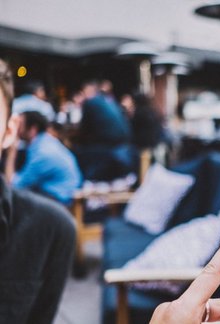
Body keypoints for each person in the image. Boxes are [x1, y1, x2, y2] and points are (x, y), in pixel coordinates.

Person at [0, 58, 76, 324]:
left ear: (13, 131)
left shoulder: (50, 230)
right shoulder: (43, 146)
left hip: (60, 198)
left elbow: (16, 184)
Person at [4, 111, 82, 205]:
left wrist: (11, 152)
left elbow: (13, 186)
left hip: (60, 198)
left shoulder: (42, 153)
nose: (15, 129)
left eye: (19, 125)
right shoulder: (46, 142)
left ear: (33, 129)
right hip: (64, 192)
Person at [74, 80, 135, 181]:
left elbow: (84, 130)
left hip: (109, 147)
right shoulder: (108, 100)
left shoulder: (90, 102)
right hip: (125, 145)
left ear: (88, 91)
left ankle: (86, 183)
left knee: (79, 153)